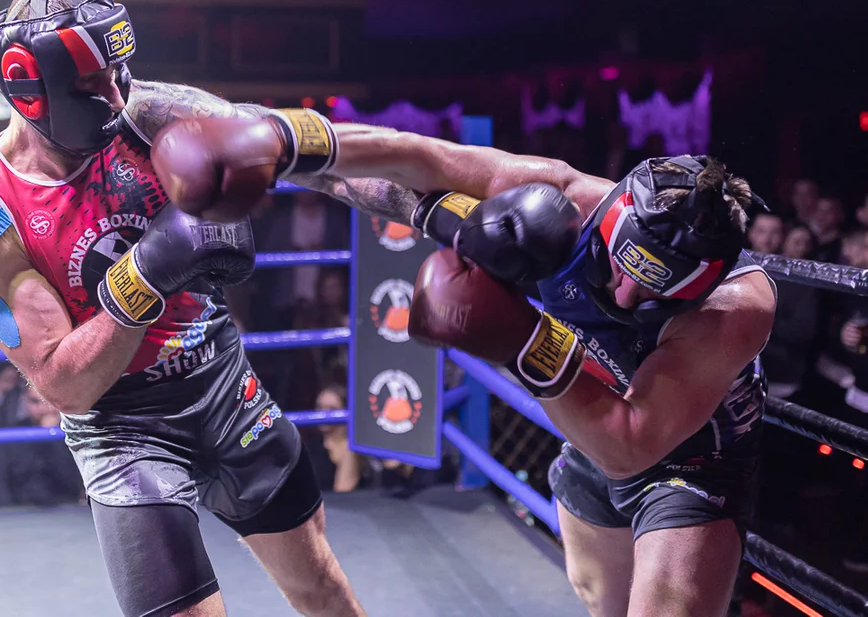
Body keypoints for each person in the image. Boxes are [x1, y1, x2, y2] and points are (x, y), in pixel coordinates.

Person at [159, 122, 776, 616]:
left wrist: (519, 338)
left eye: (653, 293)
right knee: (601, 602)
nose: (622, 297)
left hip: (690, 456)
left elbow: (633, 443)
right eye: (620, 268)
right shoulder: (570, 199)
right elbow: (417, 157)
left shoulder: (735, 309)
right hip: (591, 418)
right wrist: (279, 140)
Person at [0, 0, 365, 617]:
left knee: (322, 589)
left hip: (221, 382)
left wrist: (440, 203)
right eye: (92, 83)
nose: (116, 94)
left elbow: (310, 153)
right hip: (121, 427)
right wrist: (144, 276)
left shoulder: (158, 113)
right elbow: (66, 385)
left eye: (119, 71)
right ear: (31, 89)